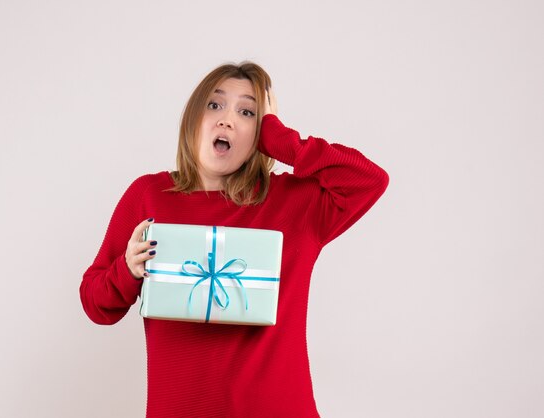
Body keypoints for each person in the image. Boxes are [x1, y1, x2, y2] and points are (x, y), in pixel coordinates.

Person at [80, 61, 389, 418]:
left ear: (259, 133)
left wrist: (280, 139)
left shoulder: (295, 203)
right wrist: (127, 269)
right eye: (215, 105)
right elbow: (95, 304)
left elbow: (369, 180)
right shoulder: (148, 195)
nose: (227, 118)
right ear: (193, 118)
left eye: (247, 112)